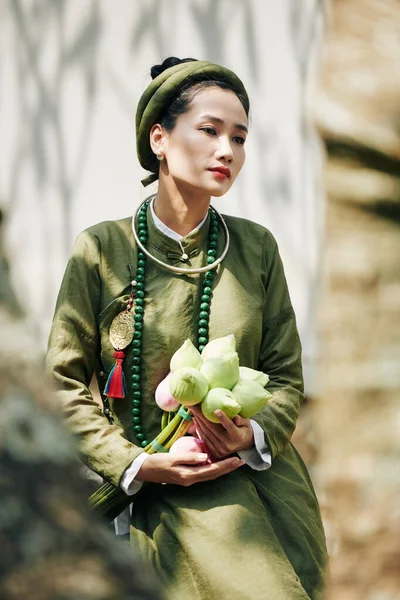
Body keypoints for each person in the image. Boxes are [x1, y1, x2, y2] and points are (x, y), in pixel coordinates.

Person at [46, 57, 328, 600]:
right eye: (209, 130)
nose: (228, 151)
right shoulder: (101, 249)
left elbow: (286, 377)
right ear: (159, 138)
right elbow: (63, 384)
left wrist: (250, 433)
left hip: (254, 491)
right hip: (143, 490)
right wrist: (136, 464)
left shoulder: (255, 248)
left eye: (240, 138)